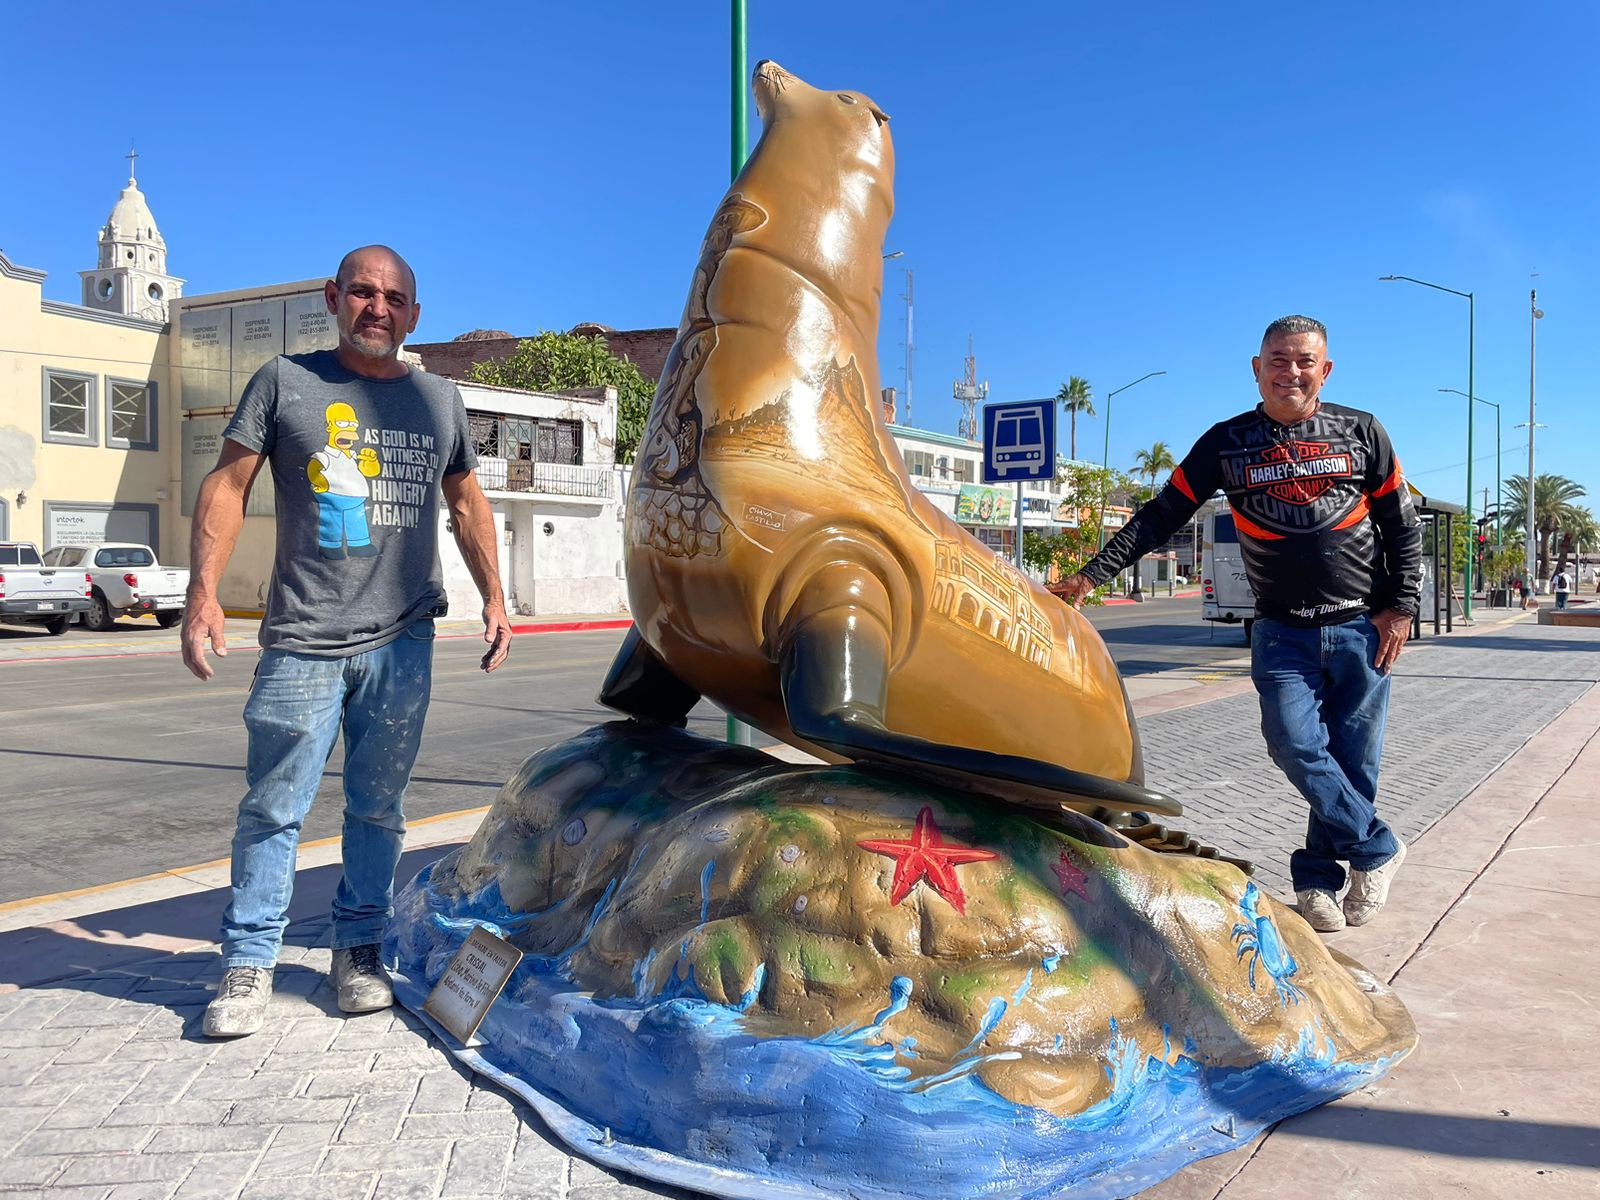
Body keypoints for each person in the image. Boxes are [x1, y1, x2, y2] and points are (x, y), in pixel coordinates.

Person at [184, 246, 513, 1037]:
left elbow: (466, 502)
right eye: (363, 292)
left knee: (379, 810)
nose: (378, 307)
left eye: (394, 297)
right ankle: (249, 962)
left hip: (404, 640)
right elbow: (229, 484)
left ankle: (357, 949)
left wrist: (497, 596)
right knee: (273, 807)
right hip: (302, 640)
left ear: (414, 314)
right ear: (334, 299)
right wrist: (202, 596)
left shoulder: (441, 399)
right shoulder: (284, 382)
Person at [1057, 316, 1420, 934]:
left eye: (1305, 361)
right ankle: (1377, 847)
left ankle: (1315, 882)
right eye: (1278, 360)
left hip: (1361, 628)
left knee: (1353, 764)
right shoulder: (1226, 443)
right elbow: (1161, 515)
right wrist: (1090, 576)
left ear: (1324, 370)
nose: (1291, 372)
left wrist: (1401, 606)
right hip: (1282, 632)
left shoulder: (1363, 432)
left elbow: (1400, 524)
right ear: (1257, 368)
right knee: (1295, 745)